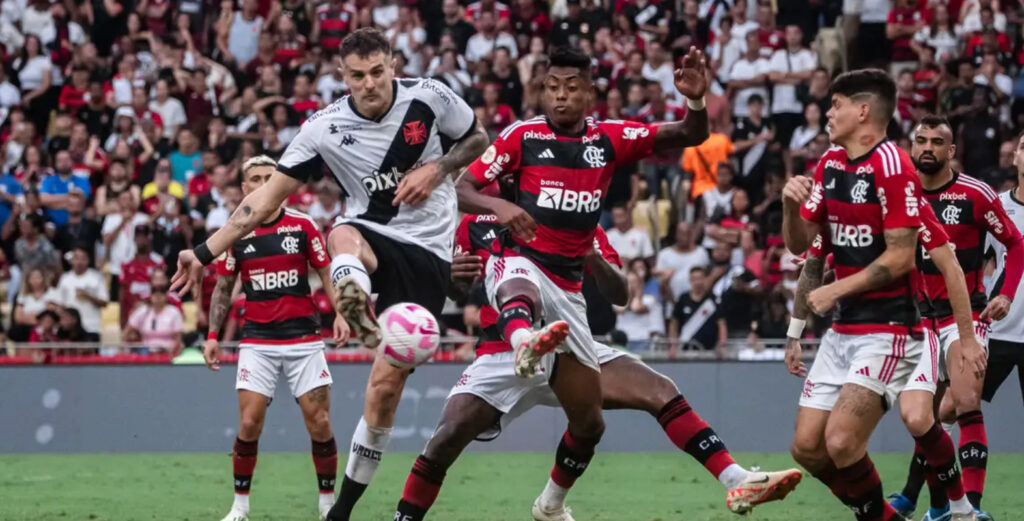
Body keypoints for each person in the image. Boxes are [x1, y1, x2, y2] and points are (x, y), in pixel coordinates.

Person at [168, 28, 489, 521]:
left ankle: (343, 507)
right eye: (357, 76)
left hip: (429, 250)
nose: (369, 84)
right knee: (341, 234)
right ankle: (355, 302)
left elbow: (477, 137)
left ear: (392, 65)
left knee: (383, 393)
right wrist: (203, 252)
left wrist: (438, 168)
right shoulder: (324, 128)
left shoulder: (429, 95)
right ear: (343, 77)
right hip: (370, 233)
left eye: (378, 72)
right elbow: (263, 202)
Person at [388, 212, 801, 521]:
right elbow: (458, 289)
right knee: (444, 440)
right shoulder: (478, 223)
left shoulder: (579, 220)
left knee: (656, 391)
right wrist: (452, 278)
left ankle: (734, 479)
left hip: (569, 344)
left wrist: (590, 254)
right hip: (500, 353)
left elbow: (620, 293)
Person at [451, 45, 709, 521]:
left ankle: (551, 505)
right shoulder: (514, 149)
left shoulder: (603, 161)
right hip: (498, 350)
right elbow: (462, 199)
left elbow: (692, 133)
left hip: (567, 324)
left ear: (591, 93)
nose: (562, 96)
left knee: (596, 421)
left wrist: (695, 101)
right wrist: (463, 265)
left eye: (572, 87)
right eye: (552, 86)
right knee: (445, 439)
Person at [781, 68, 969, 521]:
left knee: (844, 441)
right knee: (807, 449)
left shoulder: (892, 166)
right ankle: (882, 512)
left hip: (890, 330)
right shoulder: (828, 164)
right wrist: (790, 204)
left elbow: (903, 257)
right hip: (842, 331)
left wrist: (836, 288)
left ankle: (957, 506)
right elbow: (800, 245)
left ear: (862, 111)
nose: (828, 113)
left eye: (836, 104)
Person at [887, 116, 1021, 521]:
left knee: (965, 402)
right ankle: (941, 506)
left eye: (937, 142)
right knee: (923, 419)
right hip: (916, 322)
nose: (927, 147)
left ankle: (972, 510)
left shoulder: (975, 194)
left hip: (965, 316)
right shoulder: (897, 195)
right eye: (921, 140)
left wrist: (1005, 295)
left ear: (951, 151)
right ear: (912, 147)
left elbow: (1016, 245)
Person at [202, 156, 347, 521]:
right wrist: (212, 335)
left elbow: (326, 272)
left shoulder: (302, 225)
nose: (265, 182)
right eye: (256, 178)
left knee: (321, 423)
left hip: (304, 341)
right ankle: (240, 508)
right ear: (245, 188)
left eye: (271, 177)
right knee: (249, 424)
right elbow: (223, 287)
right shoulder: (236, 231)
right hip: (258, 341)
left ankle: (327, 504)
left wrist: (342, 312)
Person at [981, 131, 1024, 427]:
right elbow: (976, 262)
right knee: (953, 406)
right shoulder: (997, 206)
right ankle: (928, 472)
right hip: (997, 331)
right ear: (1016, 156)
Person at [56, 247, 108, 342]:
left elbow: (104, 302)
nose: (79, 262)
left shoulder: (96, 277)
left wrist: (88, 296)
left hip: (92, 327)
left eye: (83, 258)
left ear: (88, 260)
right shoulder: (64, 279)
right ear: (72, 260)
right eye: (76, 258)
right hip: (71, 330)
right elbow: (60, 304)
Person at [124, 278, 184, 356]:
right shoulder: (142, 312)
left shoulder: (174, 312)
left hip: (167, 353)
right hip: (145, 353)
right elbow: (125, 333)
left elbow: (178, 339)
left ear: (166, 296)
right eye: (155, 294)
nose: (158, 297)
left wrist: (172, 354)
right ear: (151, 296)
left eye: (161, 294)